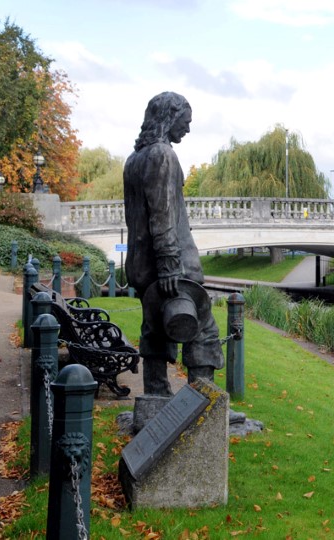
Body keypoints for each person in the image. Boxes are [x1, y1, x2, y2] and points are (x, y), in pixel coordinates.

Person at [123, 92, 223, 396]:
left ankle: (156, 396)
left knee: (155, 328)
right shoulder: (162, 155)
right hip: (172, 267)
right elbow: (162, 213)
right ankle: (202, 402)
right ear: (169, 118)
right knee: (203, 329)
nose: (188, 129)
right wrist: (169, 265)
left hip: (142, 266)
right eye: (185, 121)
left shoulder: (133, 160)